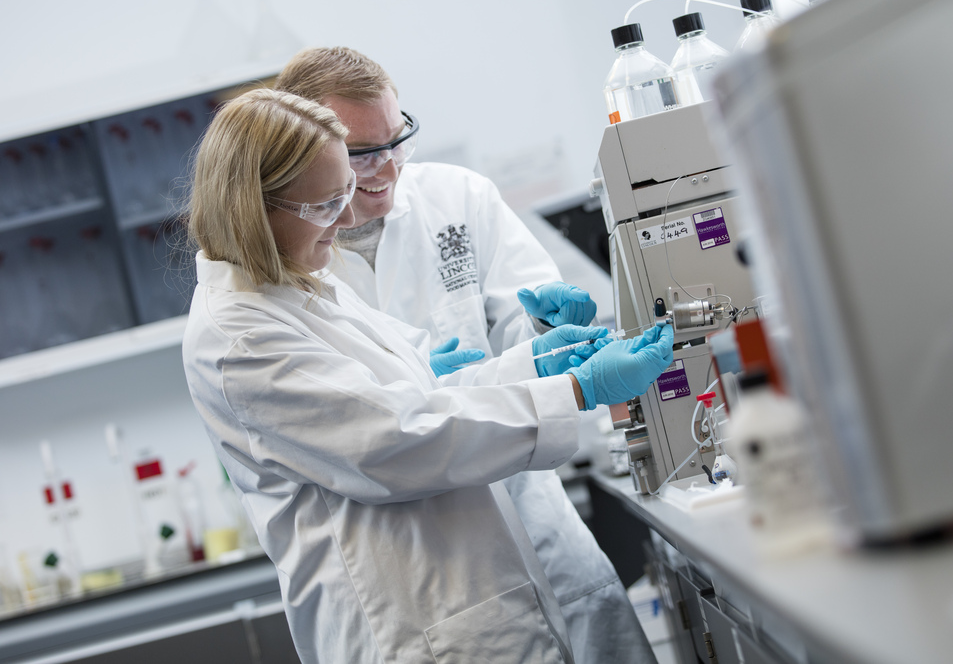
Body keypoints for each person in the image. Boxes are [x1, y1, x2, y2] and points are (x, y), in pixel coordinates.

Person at [181, 88, 675, 663]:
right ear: (252, 209)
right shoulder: (240, 338)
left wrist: (535, 363)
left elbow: (423, 393)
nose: (348, 218)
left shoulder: (299, 287)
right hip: (413, 624)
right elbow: (397, 439)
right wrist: (576, 390)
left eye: (345, 193)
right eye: (326, 205)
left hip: (475, 594)